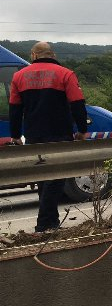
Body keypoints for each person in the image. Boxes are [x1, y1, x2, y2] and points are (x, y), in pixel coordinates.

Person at [9, 41, 88, 233]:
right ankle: (44, 224)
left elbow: (14, 108)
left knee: (43, 179)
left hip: (34, 135)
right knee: (56, 177)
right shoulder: (65, 74)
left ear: (33, 55)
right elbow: (77, 103)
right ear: (53, 55)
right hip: (60, 134)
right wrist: (82, 130)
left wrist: (16, 135)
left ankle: (51, 223)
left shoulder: (19, 76)